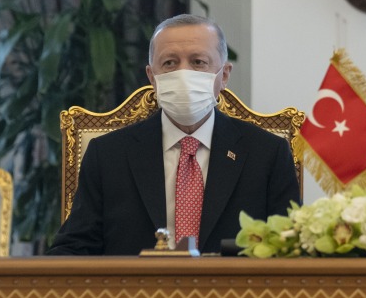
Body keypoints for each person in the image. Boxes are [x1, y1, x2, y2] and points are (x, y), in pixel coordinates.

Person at [47, 14, 300, 255]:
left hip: (232, 296)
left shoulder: (267, 154)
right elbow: (74, 248)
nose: (183, 74)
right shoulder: (108, 155)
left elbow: (289, 248)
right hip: (136, 296)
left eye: (198, 62)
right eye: (170, 63)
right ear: (152, 77)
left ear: (223, 75)